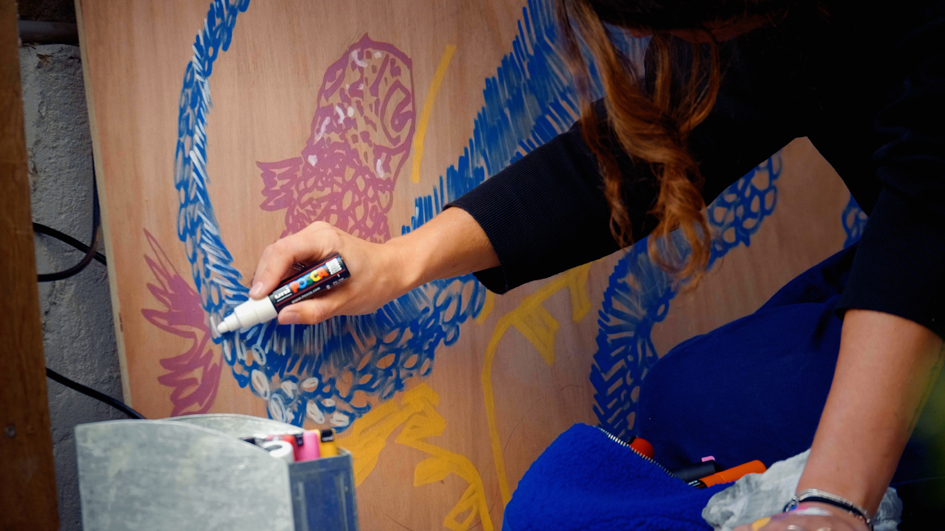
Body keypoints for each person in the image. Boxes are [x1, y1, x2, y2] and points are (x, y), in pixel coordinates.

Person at [249, 0, 945, 529]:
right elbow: (649, 148)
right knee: (682, 401)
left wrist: (832, 502)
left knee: (713, 426)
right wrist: (396, 260)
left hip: (927, 244)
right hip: (902, 240)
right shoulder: (793, 23)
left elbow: (927, 210)